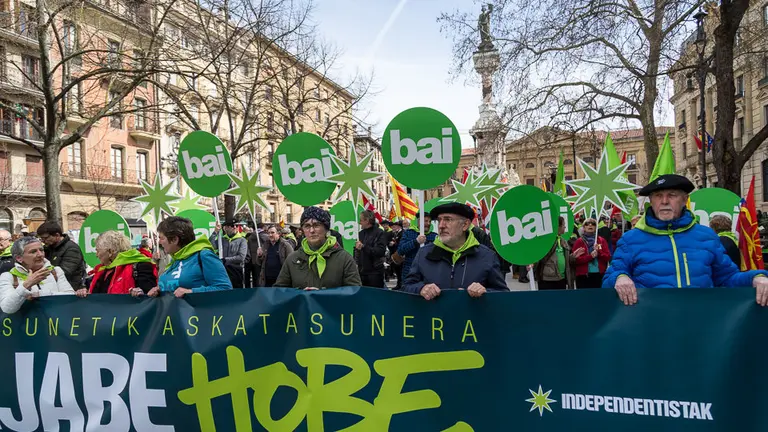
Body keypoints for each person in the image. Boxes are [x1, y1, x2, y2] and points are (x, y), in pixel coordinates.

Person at [604, 174, 768, 305]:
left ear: (684, 200)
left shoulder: (707, 236)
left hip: (700, 324)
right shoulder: (631, 239)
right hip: (651, 325)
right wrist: (619, 277)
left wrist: (756, 278)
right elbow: (609, 279)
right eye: (658, 196)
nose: (664, 201)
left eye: (672, 195)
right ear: (651, 201)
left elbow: (727, 278)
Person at [404, 203, 508, 299]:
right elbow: (407, 286)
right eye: (439, 220)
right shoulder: (424, 253)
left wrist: (485, 292)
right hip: (435, 314)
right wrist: (421, 289)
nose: (441, 226)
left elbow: (503, 294)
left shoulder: (487, 256)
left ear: (465, 225)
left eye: (448, 219)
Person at [274, 206, 361, 289]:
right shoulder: (292, 259)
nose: (311, 230)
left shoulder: (344, 259)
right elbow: (280, 291)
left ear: (326, 228)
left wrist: (323, 295)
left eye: (316, 225)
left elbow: (354, 291)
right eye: (307, 226)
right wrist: (300, 293)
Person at [144, 216, 232, 298]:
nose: (159, 242)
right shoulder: (176, 259)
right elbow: (175, 288)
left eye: (162, 238)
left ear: (175, 239)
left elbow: (225, 288)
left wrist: (191, 292)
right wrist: (158, 290)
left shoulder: (204, 255)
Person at [0, 236, 75, 313]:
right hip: (27, 320)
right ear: (19, 258)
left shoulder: (55, 271)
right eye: (33, 252)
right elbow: (7, 308)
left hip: (55, 319)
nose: (40, 255)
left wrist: (40, 294)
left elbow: (70, 298)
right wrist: (26, 285)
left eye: (41, 250)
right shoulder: (8, 277)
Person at [85, 231, 157, 296]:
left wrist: (141, 293)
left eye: (98, 251)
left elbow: (150, 295)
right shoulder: (101, 271)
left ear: (110, 252)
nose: (96, 255)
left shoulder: (140, 267)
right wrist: (83, 289)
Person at [36, 220, 86, 289]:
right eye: (41, 238)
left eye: (45, 238)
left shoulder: (72, 249)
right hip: (54, 286)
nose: (43, 241)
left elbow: (65, 272)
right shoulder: (48, 248)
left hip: (70, 288)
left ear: (57, 235)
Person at [533, 217, 575, 290]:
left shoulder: (563, 241)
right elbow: (539, 256)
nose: (565, 227)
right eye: (563, 225)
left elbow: (565, 259)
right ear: (557, 226)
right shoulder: (546, 240)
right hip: (548, 279)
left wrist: (573, 256)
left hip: (561, 279)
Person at [397, 212, 436, 283]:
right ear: (419, 221)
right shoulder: (408, 233)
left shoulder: (434, 236)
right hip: (410, 271)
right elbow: (401, 250)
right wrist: (416, 241)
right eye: (425, 221)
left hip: (428, 273)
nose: (428, 223)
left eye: (430, 221)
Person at [572, 217, 611, 289]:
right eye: (587, 224)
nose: (590, 225)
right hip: (583, 276)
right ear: (584, 227)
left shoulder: (601, 241)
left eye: (593, 224)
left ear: (596, 227)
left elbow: (607, 257)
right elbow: (575, 260)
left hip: (599, 274)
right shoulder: (579, 241)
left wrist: (599, 252)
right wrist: (590, 257)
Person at [209, 219, 248, 288]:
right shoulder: (222, 239)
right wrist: (215, 232)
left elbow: (241, 257)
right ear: (225, 228)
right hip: (223, 270)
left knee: (236, 291)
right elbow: (211, 246)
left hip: (235, 270)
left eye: (236, 225)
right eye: (232, 226)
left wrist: (225, 259)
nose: (235, 227)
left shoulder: (242, 240)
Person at [355, 210, 388, 288]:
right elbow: (357, 252)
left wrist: (364, 247)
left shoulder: (379, 233)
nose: (360, 223)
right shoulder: (360, 234)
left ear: (367, 221)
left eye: (361, 220)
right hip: (362, 272)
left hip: (375, 273)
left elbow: (380, 251)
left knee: (375, 294)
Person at [245, 224, 269, 288]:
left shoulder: (250, 237)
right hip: (262, 260)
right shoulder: (266, 236)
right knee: (262, 279)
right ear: (263, 227)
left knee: (255, 279)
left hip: (253, 261)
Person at [389, 221, 404, 290]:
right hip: (394, 253)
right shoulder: (396, 233)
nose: (394, 227)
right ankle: (399, 284)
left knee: (400, 270)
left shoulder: (402, 233)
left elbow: (401, 243)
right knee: (397, 270)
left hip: (399, 254)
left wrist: (394, 244)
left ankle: (400, 284)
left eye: (396, 226)